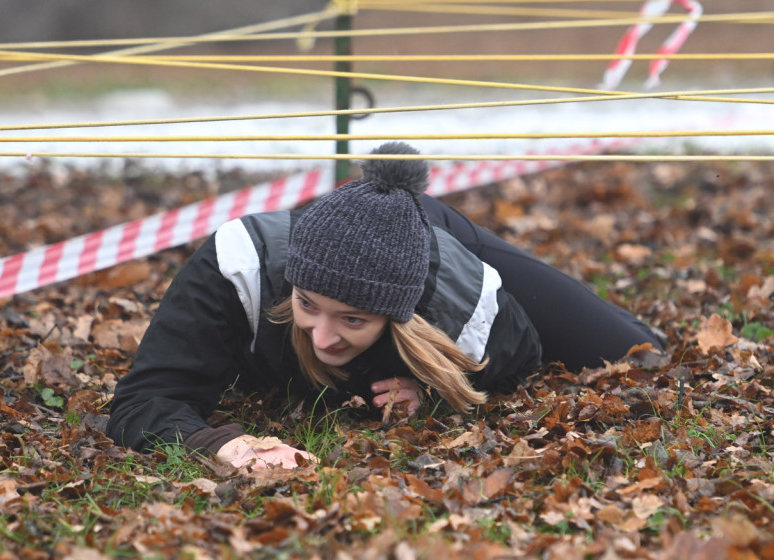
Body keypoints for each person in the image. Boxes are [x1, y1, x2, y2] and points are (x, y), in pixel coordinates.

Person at [104, 142, 663, 469]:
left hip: (441, 241)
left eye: (353, 319)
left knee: (637, 350)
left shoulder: (461, 304)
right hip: (330, 238)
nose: (323, 336)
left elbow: (519, 359)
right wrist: (227, 446)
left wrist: (432, 387)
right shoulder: (232, 270)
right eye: (307, 306)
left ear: (400, 318)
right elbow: (142, 401)